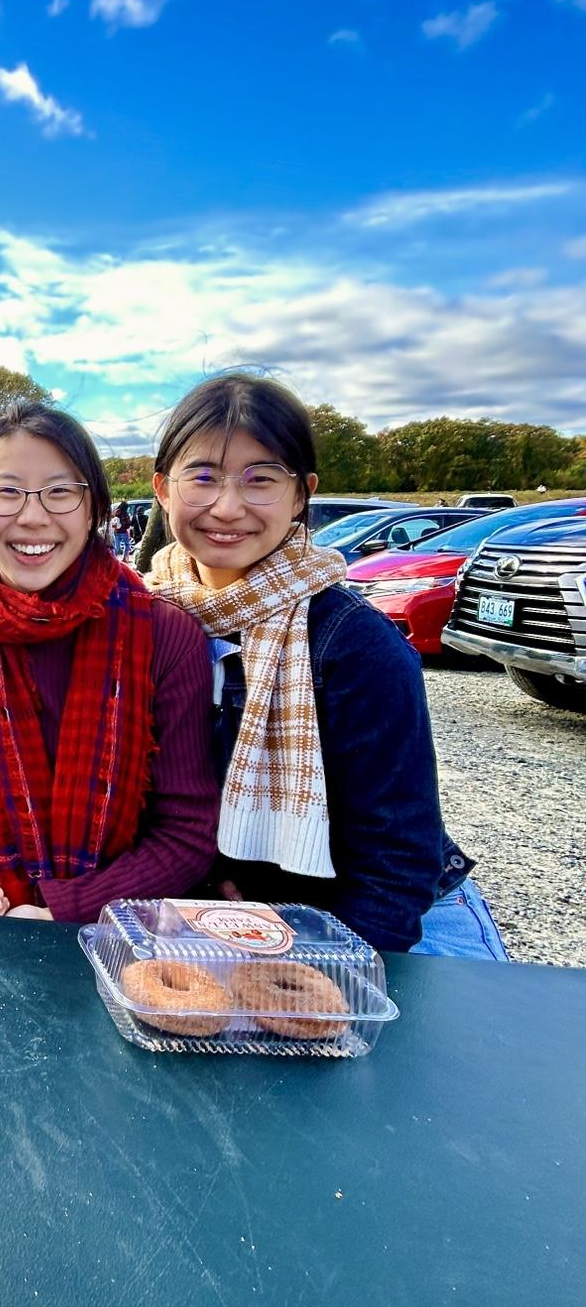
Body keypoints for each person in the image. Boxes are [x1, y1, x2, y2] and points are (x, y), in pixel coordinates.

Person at [145, 372, 473, 951]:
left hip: (377, 923)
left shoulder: (352, 644)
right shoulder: (144, 620)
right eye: (202, 476)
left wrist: (306, 965)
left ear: (301, 495)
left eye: (261, 480)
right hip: (229, 920)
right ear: (164, 490)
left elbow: (395, 865)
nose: (227, 507)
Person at [0, 404, 219, 924]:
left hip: (124, 935)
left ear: (94, 510)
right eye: (6, 491)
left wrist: (61, 910)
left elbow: (188, 832)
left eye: (60, 491)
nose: (33, 516)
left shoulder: (163, 634)